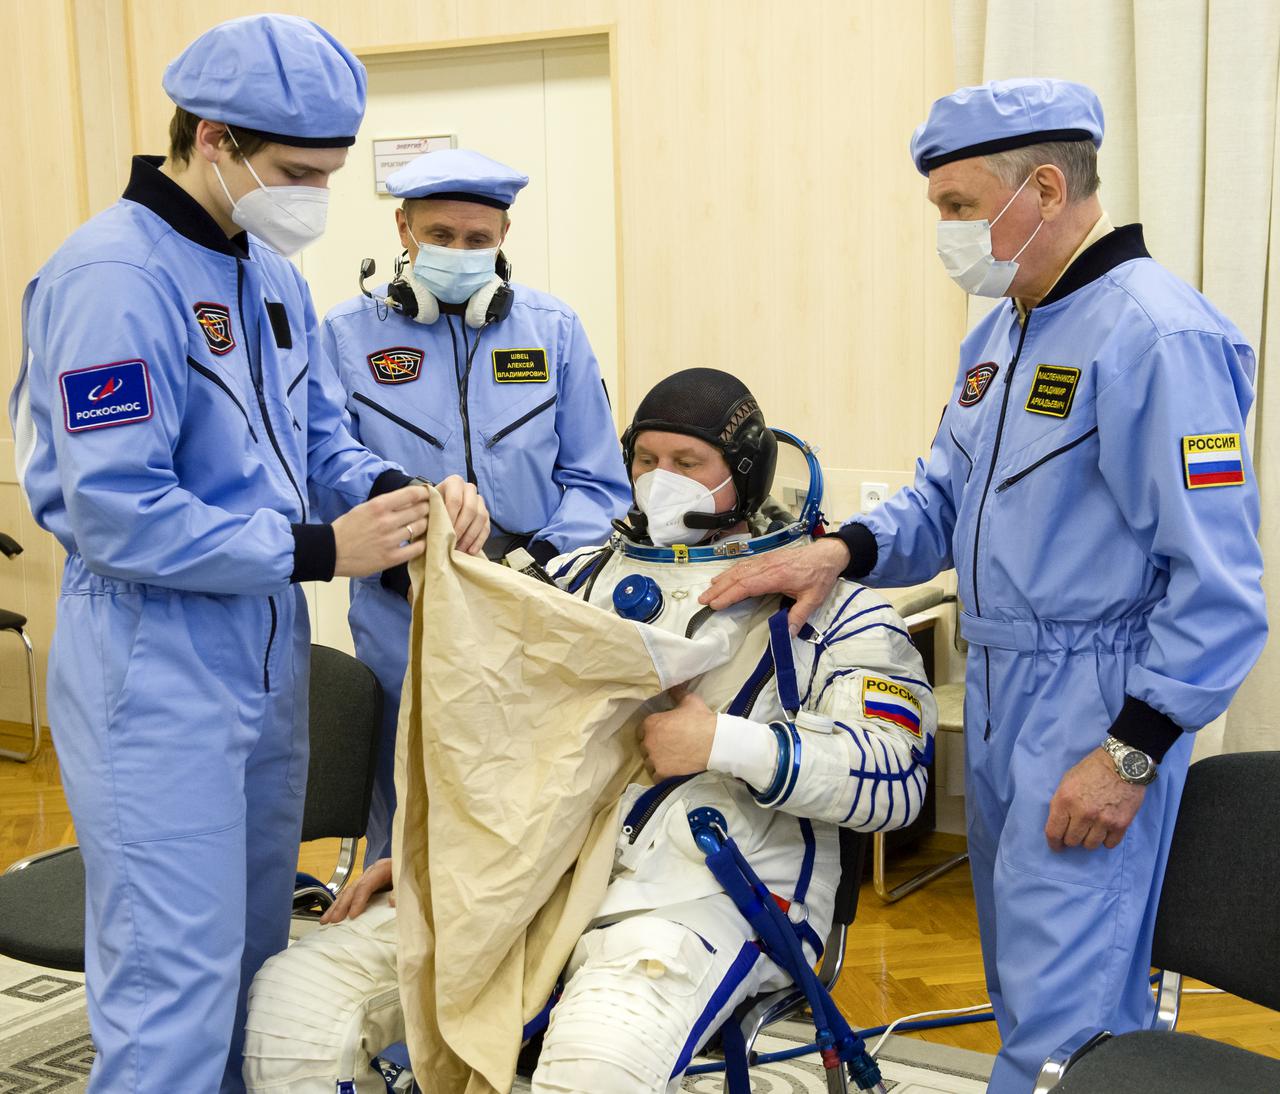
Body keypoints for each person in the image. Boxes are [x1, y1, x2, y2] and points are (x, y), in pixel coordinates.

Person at [702, 78, 1267, 1091]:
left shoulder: (1157, 337)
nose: (947, 234)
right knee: (1031, 987)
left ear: (1043, 187)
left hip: (1095, 707)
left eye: (957, 208)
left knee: (1068, 1022)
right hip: (1007, 686)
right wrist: (837, 547)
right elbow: (939, 498)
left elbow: (1221, 587)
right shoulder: (1000, 333)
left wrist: (1127, 753)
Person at [9, 15, 488, 1093]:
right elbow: (116, 509)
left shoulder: (266, 273)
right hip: (153, 663)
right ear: (213, 139)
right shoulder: (110, 280)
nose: (313, 197)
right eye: (295, 172)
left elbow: (315, 433)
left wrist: (392, 494)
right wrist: (324, 548)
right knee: (171, 982)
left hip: (262, 651)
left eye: (329, 174)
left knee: (253, 964)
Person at [241, 367, 938, 1093]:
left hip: (707, 895)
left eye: (688, 463)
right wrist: (438, 857)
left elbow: (894, 781)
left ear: (744, 473)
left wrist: (722, 745)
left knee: (596, 1064)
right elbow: (498, 746)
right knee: (295, 1007)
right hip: (536, 873)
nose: (658, 480)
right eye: (646, 460)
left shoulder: (835, 614)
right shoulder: (572, 583)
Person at [320, 147, 630, 862]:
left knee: (526, 804)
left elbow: (599, 482)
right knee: (409, 803)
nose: (460, 253)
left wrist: (540, 563)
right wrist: (407, 532)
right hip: (404, 613)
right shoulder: (343, 336)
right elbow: (326, 471)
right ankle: (394, 950)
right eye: (441, 236)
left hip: (531, 612)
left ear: (503, 239)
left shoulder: (554, 332)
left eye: (477, 240)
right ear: (403, 229)